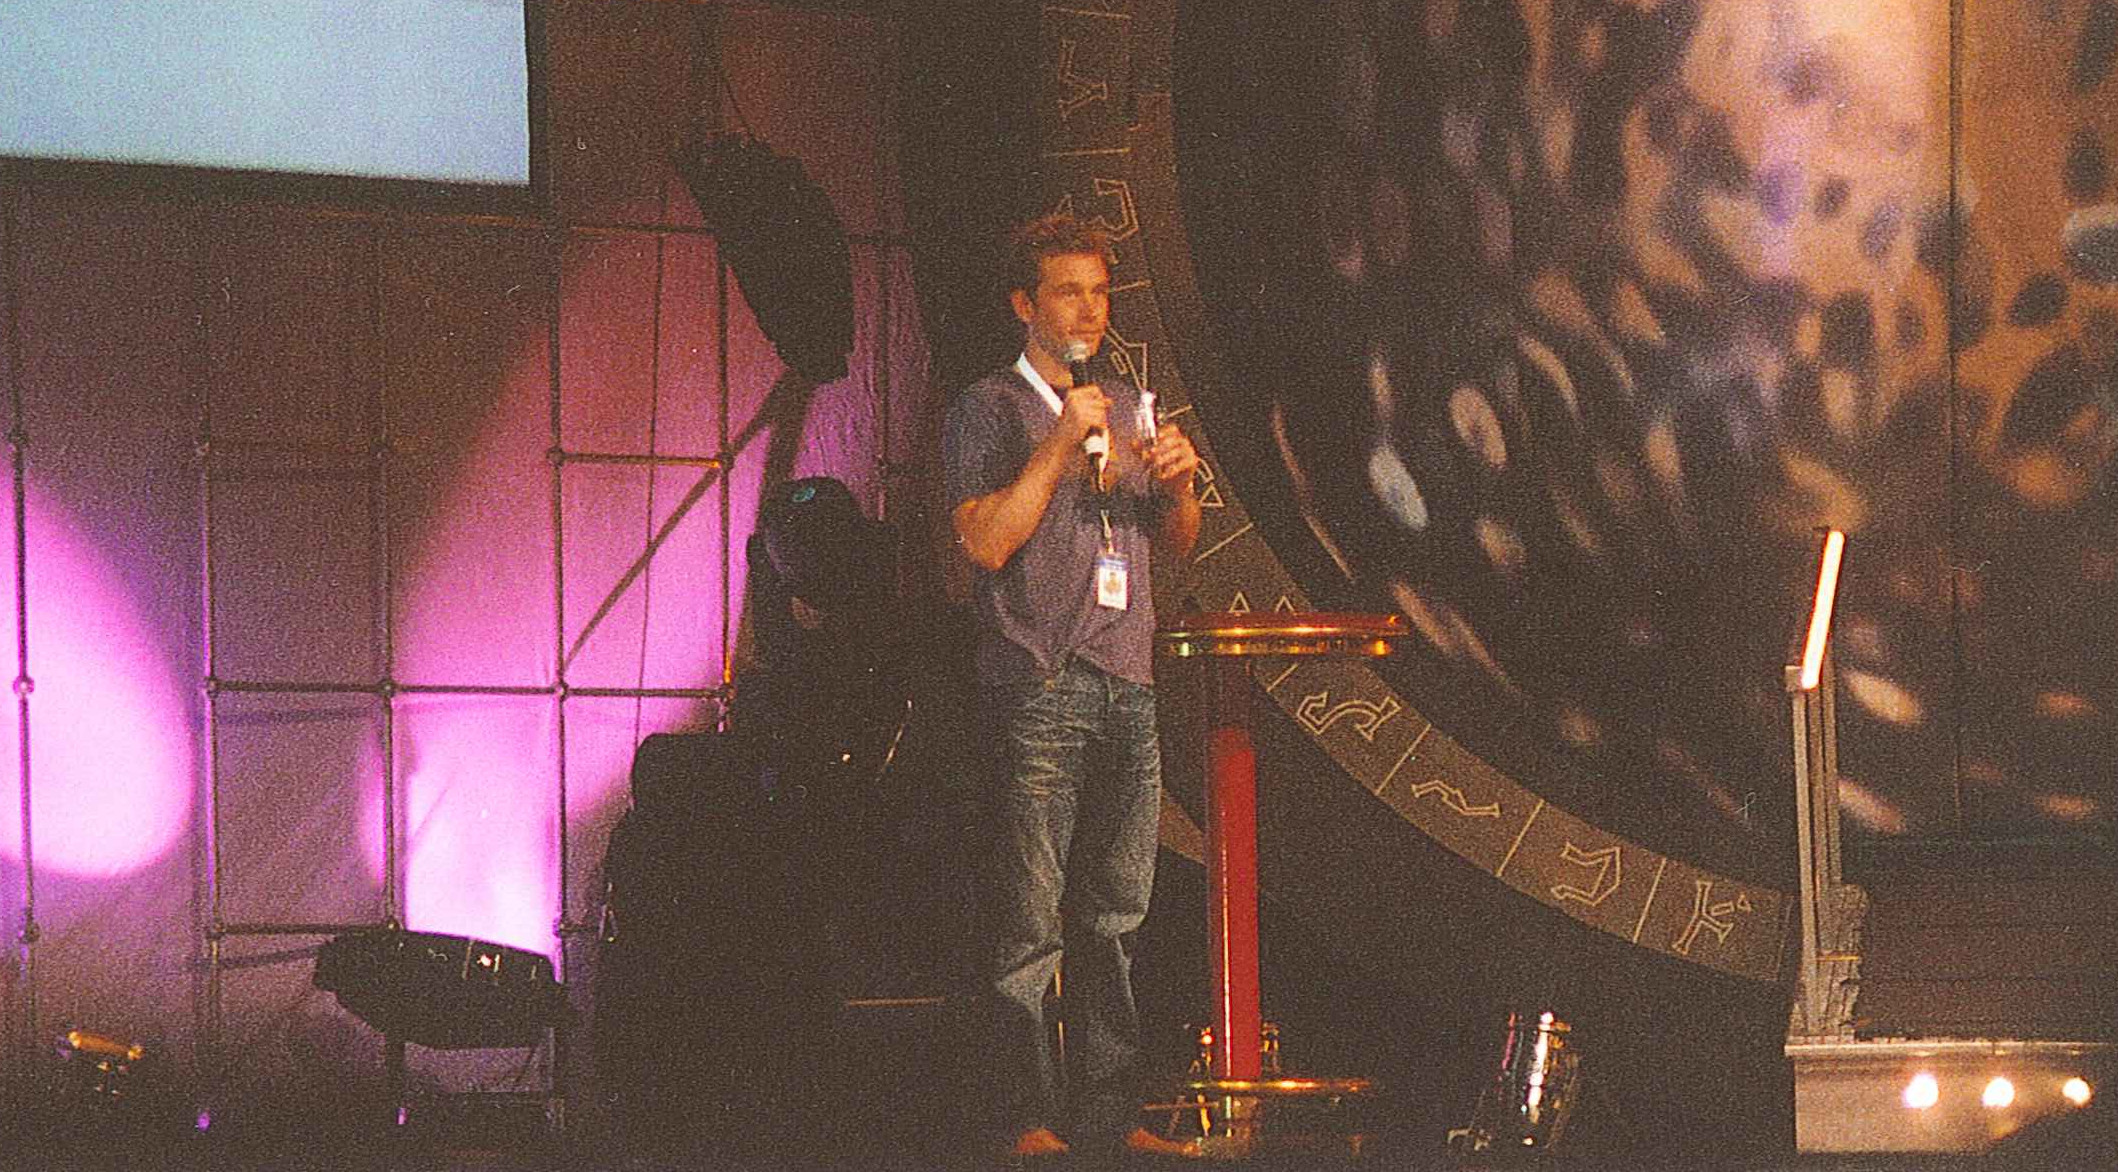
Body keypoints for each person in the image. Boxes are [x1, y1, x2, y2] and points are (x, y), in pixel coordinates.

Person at [944, 213, 1202, 1159]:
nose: (1090, 309)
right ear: (1026, 304)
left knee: (1116, 917)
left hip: (1127, 680)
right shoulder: (990, 408)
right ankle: (1023, 1118)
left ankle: (1110, 1116)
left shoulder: (1129, 405)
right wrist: (1058, 444)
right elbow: (984, 541)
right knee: (1029, 922)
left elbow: (1173, 547)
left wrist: (1180, 487)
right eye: (1069, 291)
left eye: (1100, 291)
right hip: (1039, 681)